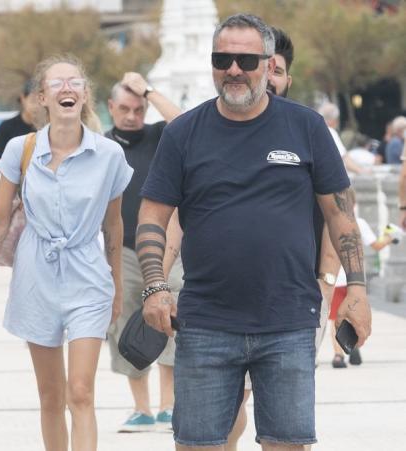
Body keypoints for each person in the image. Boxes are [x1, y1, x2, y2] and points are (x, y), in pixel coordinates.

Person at [137, 13, 371, 450]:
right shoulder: (184, 133)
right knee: (198, 445)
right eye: (222, 58)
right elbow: (152, 216)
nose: (233, 69)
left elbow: (341, 216)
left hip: (288, 320)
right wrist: (154, 286)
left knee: (286, 444)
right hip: (205, 321)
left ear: (268, 63)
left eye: (246, 59)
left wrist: (354, 288)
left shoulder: (306, 127)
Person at [0, 54, 133, 451]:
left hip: (88, 278)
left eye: (74, 82)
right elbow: (0, 220)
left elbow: (114, 227)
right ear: (41, 97)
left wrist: (117, 286)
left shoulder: (109, 155)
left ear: (85, 95)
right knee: (51, 396)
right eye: (56, 83)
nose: (66, 89)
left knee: (80, 392)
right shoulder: (19, 150)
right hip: (35, 277)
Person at [226, 27, 344, 451]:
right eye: (264, 66)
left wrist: (327, 281)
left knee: (290, 416)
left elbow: (338, 214)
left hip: (297, 294)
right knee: (228, 401)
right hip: (225, 296)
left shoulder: (312, 131)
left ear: (286, 78)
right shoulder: (220, 126)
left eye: (277, 69)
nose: (269, 75)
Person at [104, 72, 181, 432]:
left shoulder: (159, 136)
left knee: (168, 320)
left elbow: (183, 121)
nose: (132, 115)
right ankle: (142, 407)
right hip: (121, 251)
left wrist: (149, 89)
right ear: (110, 108)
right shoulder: (102, 146)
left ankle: (168, 405)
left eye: (139, 108)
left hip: (166, 247)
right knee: (125, 325)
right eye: (124, 108)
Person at [329, 216, 392, 368]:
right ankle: (354, 345)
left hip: (335, 278)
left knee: (335, 318)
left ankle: (338, 355)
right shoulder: (359, 222)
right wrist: (389, 237)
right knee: (354, 313)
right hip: (355, 280)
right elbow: (377, 245)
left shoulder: (328, 220)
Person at [0, 80, 37, 174]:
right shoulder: (7, 127)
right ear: (23, 98)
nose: (37, 106)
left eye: (41, 100)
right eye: (33, 100)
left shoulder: (50, 127)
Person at [317, 102, 367, 174]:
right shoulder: (329, 132)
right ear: (334, 120)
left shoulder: (313, 131)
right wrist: (362, 171)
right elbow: (344, 158)